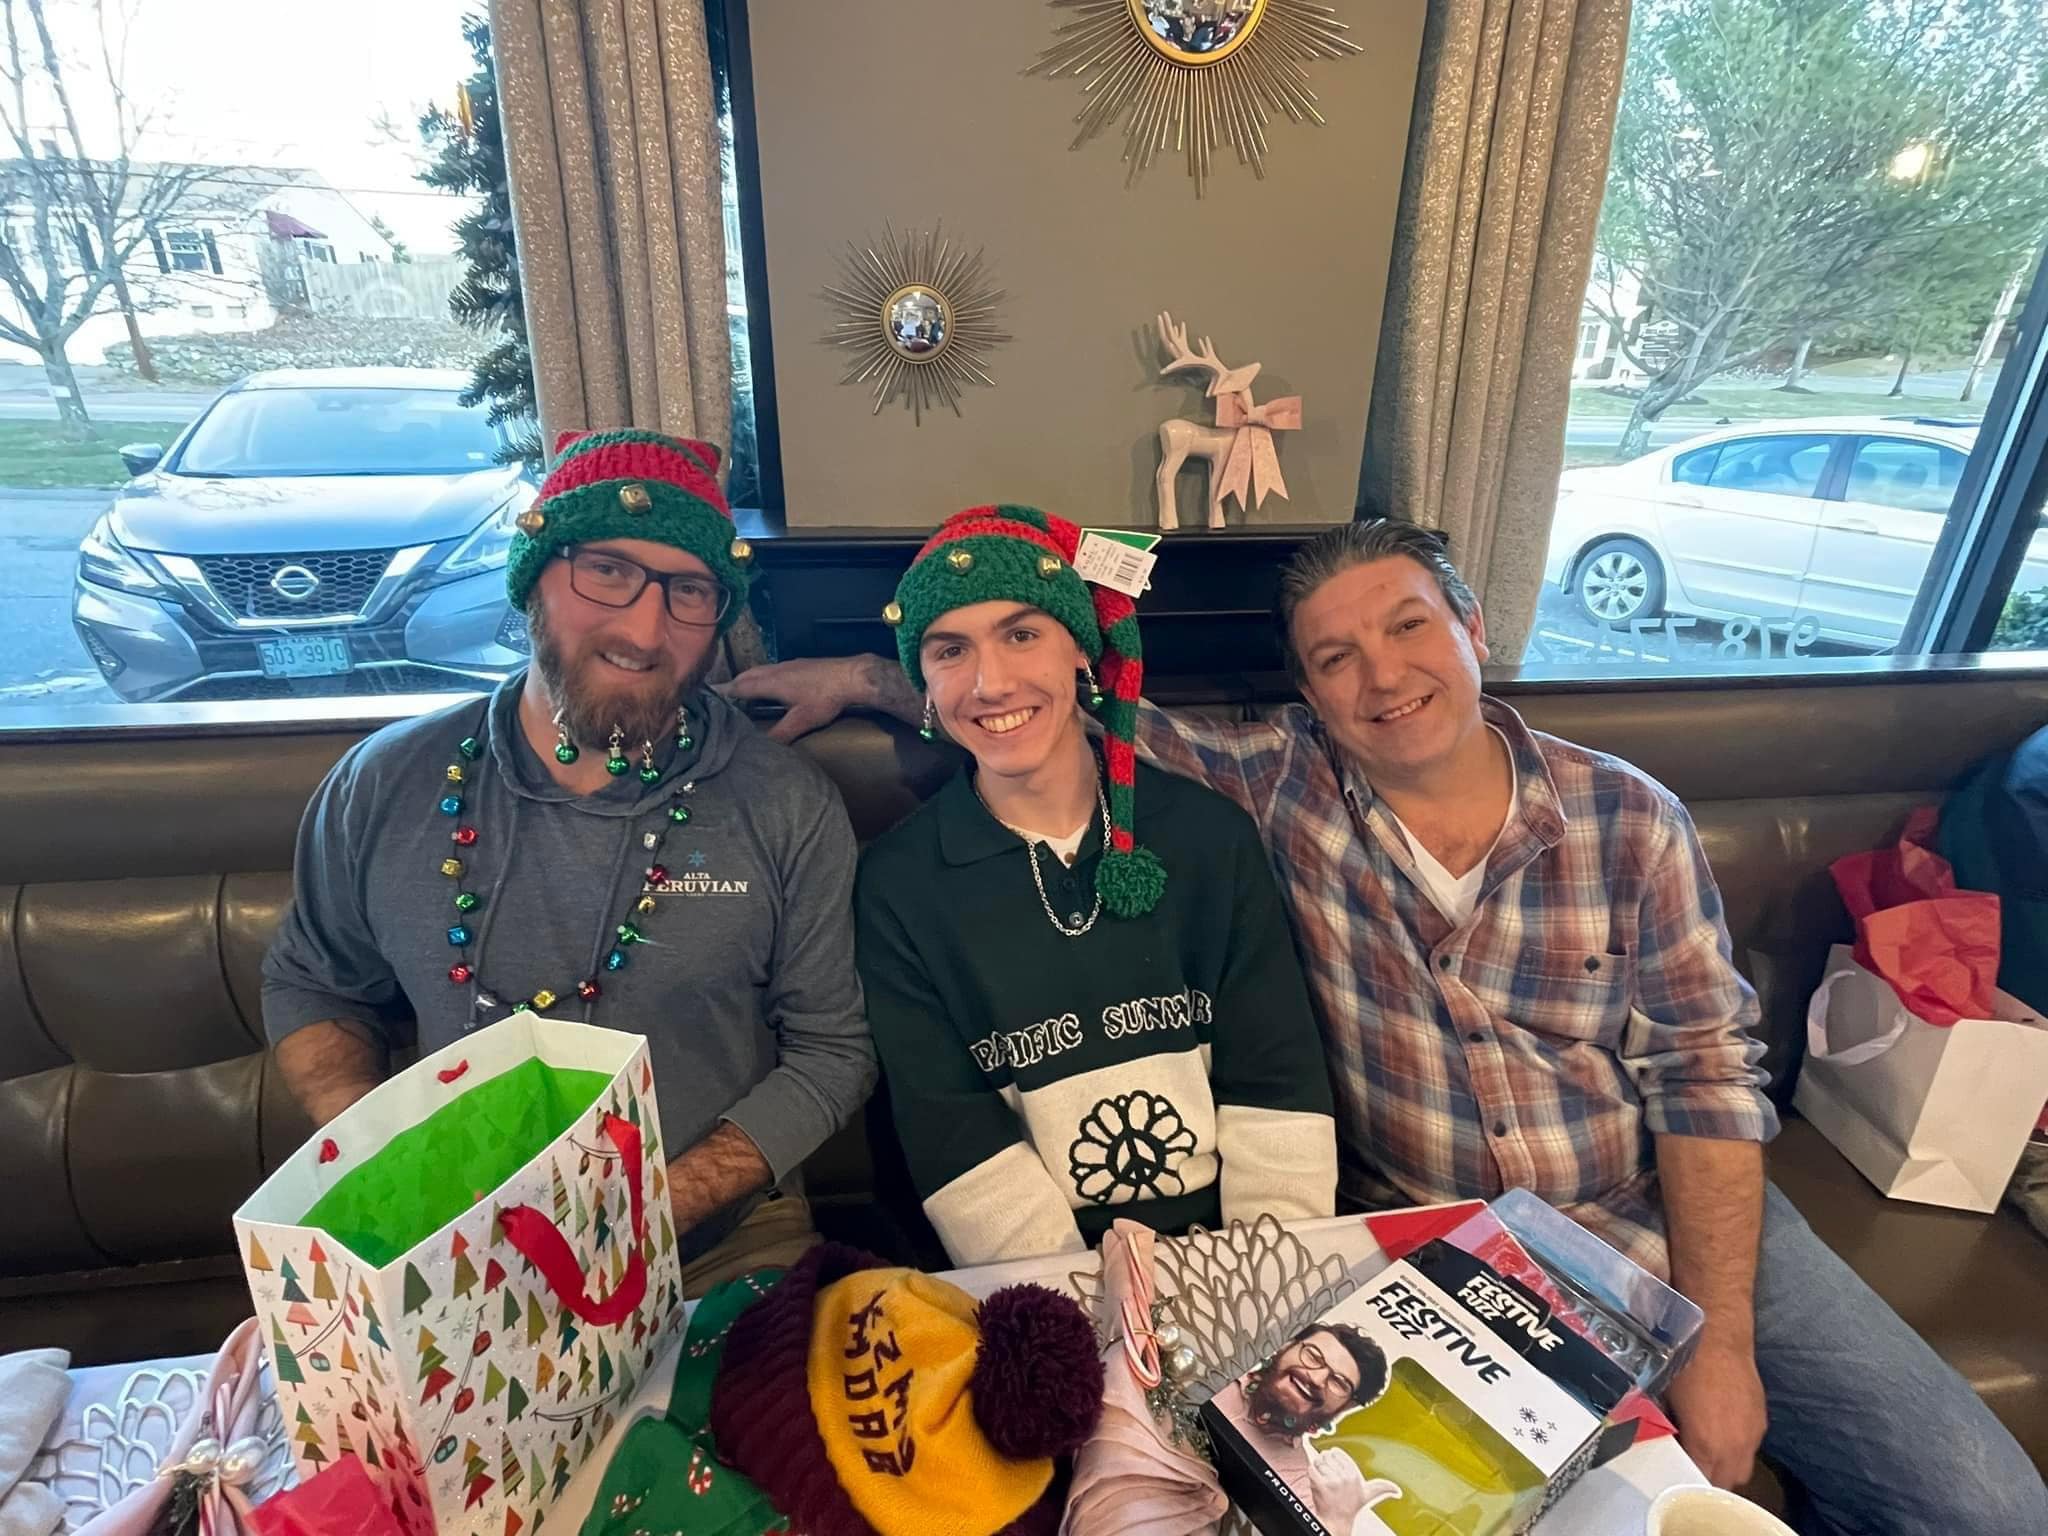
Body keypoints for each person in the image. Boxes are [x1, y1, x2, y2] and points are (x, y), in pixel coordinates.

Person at [729, 518, 2048, 1535]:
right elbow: (1036, 708)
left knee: (1981, 1505)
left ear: (1472, 626)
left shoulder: (1626, 816)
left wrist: (1724, 1345)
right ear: (1307, 689)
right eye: (1333, 657)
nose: (1381, 676)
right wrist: (872, 672)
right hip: (1439, 1251)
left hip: (1662, 1216)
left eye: (1409, 627)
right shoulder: (1276, 787)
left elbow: (1707, 1081)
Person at [263, 429, 875, 1296]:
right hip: (447, 1253)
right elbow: (314, 983)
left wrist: (642, 1215)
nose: (644, 628)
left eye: (690, 591)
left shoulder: (784, 802)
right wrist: (382, 1170)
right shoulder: (385, 782)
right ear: (533, 580)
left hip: (717, 1249)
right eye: (607, 571)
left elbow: (831, 1054)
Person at [855, 505, 1337, 1264]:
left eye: (1022, 635)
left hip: (1242, 1258)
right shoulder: (898, 885)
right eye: (950, 650)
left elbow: (1276, 1088)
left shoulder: (1209, 838)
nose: (990, 683)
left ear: (1082, 649)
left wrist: (1262, 1286)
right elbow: (953, 1136)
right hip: (1041, 1279)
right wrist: (1066, 1312)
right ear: (924, 682)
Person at [1209, 1325, 1398, 1533]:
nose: (1316, 1379)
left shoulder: (1300, 1486)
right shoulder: (1217, 1367)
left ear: (1346, 1407)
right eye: (1313, 1356)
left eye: (1338, 1382)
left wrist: (1338, 1521)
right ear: (1286, 1346)